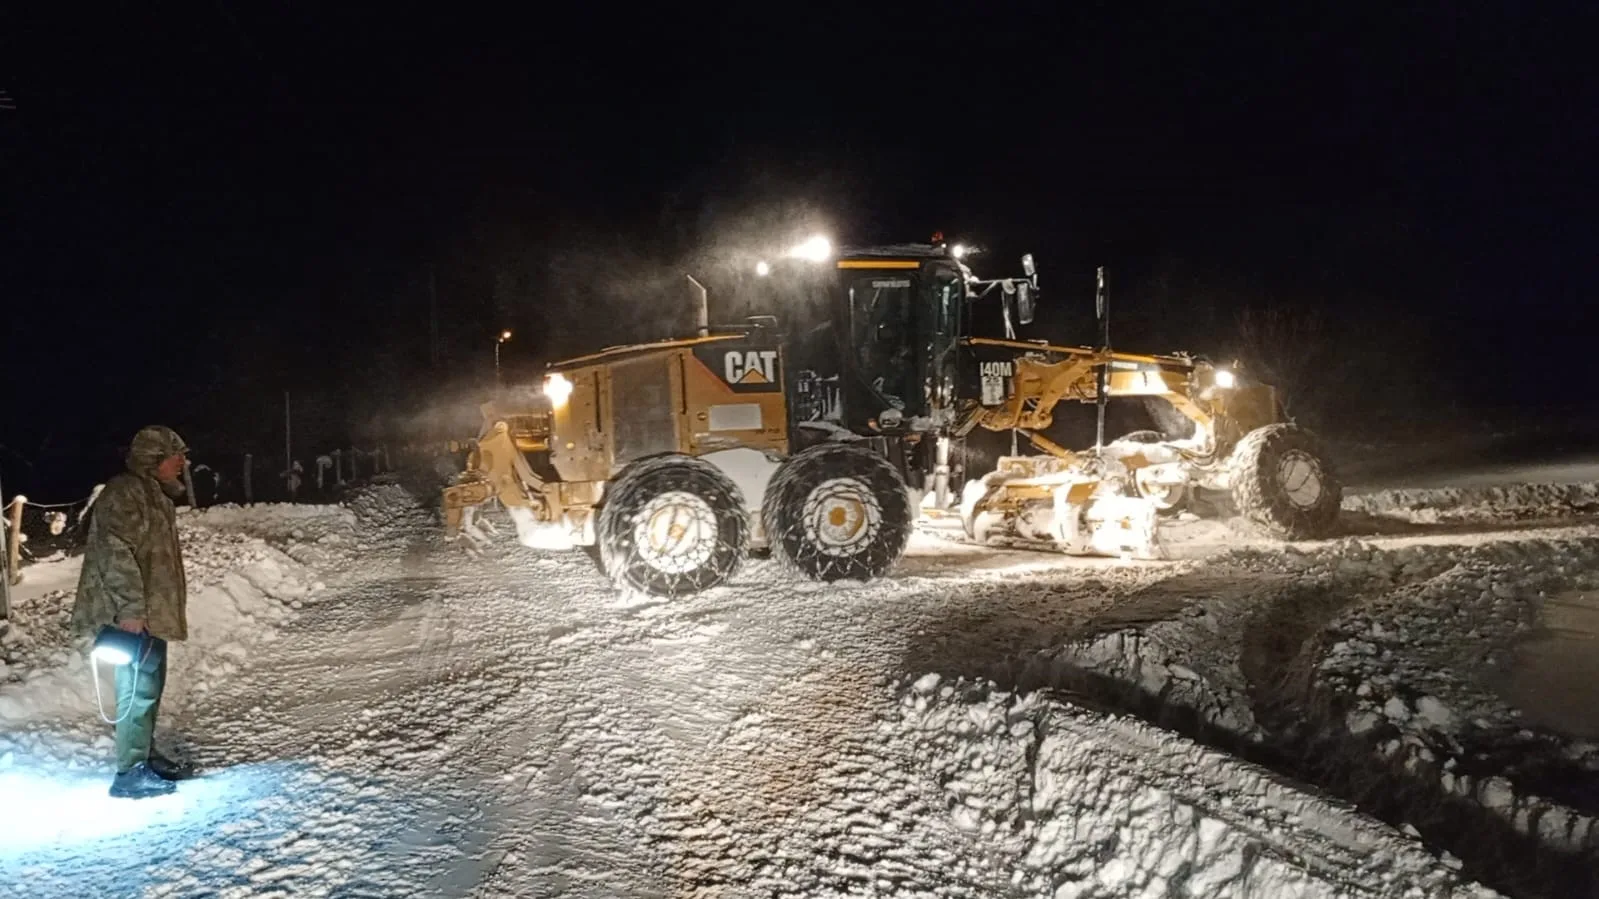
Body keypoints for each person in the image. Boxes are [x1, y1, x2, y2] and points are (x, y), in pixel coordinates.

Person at [71, 425, 193, 798]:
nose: (182, 463)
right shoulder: (126, 493)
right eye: (176, 456)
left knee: (149, 685)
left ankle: (143, 754)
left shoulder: (154, 494)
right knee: (136, 687)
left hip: (149, 612)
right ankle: (130, 772)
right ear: (153, 459)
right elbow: (114, 553)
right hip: (131, 612)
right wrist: (130, 608)